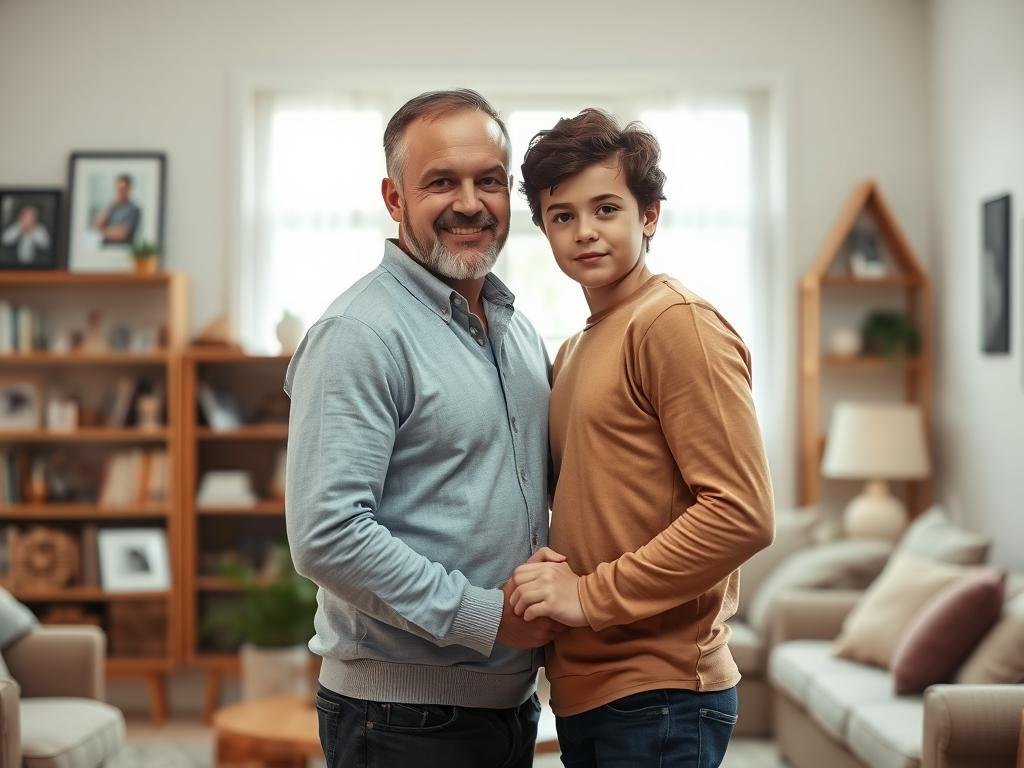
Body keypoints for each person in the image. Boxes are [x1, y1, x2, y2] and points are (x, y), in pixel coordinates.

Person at [285, 89, 563, 768]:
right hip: (401, 720)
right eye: (442, 181)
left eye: (488, 181)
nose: (470, 202)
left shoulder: (519, 330)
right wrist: (486, 615)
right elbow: (327, 534)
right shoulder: (360, 333)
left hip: (506, 706)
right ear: (395, 198)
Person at [511, 109, 775, 767]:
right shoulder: (574, 349)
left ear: (649, 215)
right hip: (588, 689)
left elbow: (740, 514)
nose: (585, 232)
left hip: (659, 694)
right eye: (562, 216)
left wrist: (586, 595)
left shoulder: (675, 323)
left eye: (606, 208)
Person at [94, 174, 140, 244]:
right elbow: (98, 225)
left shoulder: (133, 209)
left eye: (123, 189)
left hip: (122, 249)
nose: (120, 191)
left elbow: (122, 234)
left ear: (129, 189)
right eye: (118, 188)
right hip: (105, 247)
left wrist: (103, 230)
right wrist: (111, 206)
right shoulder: (111, 206)